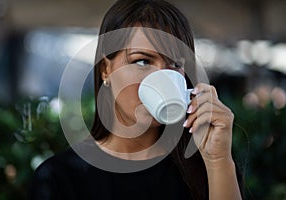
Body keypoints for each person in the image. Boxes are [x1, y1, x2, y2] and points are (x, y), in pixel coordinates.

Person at [29, 0, 244, 199]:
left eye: (174, 65)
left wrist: (218, 162)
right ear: (106, 70)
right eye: (142, 61)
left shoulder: (206, 169)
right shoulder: (60, 178)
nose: (160, 76)